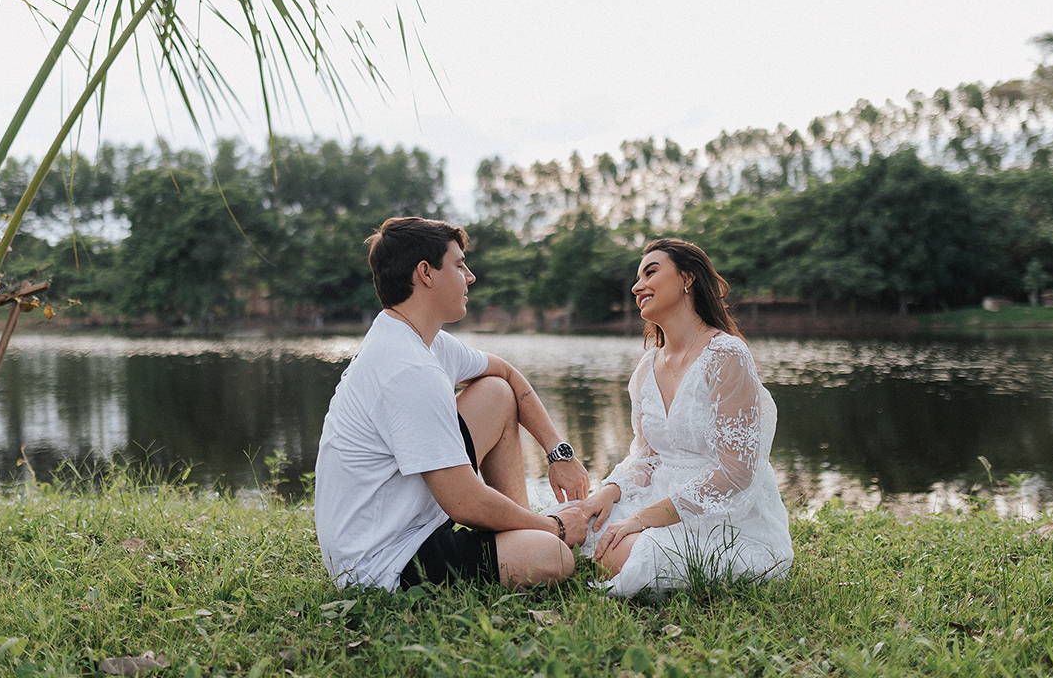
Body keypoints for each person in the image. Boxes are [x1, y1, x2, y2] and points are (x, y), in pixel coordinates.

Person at [314, 217, 591, 592]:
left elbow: (506, 374)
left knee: (495, 391)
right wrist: (554, 527)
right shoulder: (407, 368)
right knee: (553, 556)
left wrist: (559, 453)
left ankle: (523, 520)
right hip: (384, 563)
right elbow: (465, 503)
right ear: (426, 273)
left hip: (411, 523)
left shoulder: (422, 340)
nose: (471, 276)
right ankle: (534, 530)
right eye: (460, 265)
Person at [576, 238, 793, 596]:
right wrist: (612, 491)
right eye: (636, 278)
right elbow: (646, 456)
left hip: (723, 517)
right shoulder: (647, 367)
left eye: (651, 271)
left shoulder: (726, 355)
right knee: (573, 521)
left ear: (687, 278)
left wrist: (641, 521)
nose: (636, 286)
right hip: (658, 495)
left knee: (622, 554)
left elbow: (736, 472)